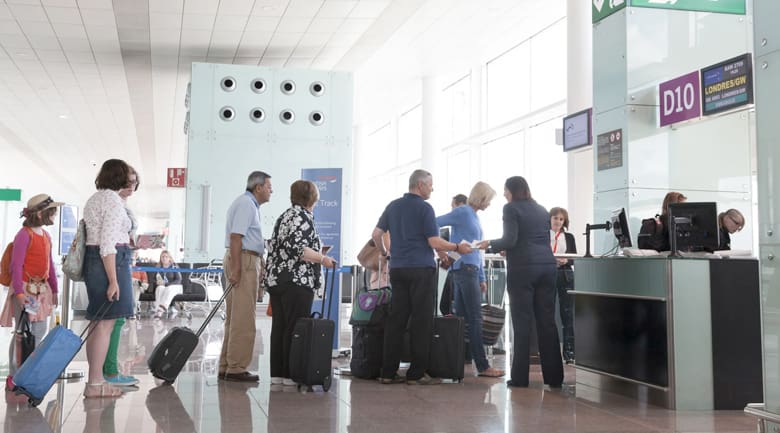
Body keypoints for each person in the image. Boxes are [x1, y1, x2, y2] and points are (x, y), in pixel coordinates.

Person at [373, 169, 472, 386]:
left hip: (398, 270)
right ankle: (416, 374)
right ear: (420, 185)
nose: (432, 188)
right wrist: (456, 247)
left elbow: (376, 234)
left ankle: (387, 372)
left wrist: (384, 253)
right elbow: (433, 242)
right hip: (421, 270)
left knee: (396, 319)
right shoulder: (425, 209)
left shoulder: (393, 206)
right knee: (421, 321)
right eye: (430, 184)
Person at [477, 176, 563, 388]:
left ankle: (520, 378)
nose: (504, 195)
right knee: (547, 323)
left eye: (505, 191)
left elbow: (510, 240)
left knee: (522, 323)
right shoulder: (542, 209)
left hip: (524, 270)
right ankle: (554, 378)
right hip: (547, 268)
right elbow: (531, 239)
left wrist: (489, 244)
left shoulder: (511, 209)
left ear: (512, 191)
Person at [265, 180, 337, 386]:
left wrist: (317, 253)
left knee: (280, 326)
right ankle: (291, 374)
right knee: (295, 327)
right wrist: (323, 259)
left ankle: (277, 374)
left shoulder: (285, 216)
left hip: (278, 279)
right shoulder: (302, 217)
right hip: (296, 280)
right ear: (312, 197)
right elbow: (299, 250)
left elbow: (285, 246)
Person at [436, 181, 504, 378]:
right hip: (464, 270)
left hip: (468, 269)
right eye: (489, 200)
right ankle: (483, 366)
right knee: (474, 318)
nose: (489, 204)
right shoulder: (464, 212)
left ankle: (462, 359)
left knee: (465, 319)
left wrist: (481, 276)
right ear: (481, 198)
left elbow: (474, 248)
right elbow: (433, 222)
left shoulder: (472, 215)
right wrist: (443, 249)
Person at [82, 158, 136, 398]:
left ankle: (94, 379)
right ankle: (95, 384)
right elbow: (108, 245)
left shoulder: (95, 199)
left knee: (96, 324)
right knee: (105, 325)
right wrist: (114, 280)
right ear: (119, 176)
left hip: (94, 261)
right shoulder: (113, 201)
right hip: (110, 263)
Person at [1, 194, 62, 388]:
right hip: (26, 289)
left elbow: (49, 264)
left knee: (38, 330)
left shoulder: (46, 236)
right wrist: (18, 293)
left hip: (41, 291)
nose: (54, 216)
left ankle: (28, 370)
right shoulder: (24, 235)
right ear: (40, 214)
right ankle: (15, 374)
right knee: (22, 332)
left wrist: (54, 289)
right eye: (52, 212)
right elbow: (16, 265)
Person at [219, 171, 273, 382]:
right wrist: (237, 269)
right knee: (243, 318)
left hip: (245, 259)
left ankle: (228, 364)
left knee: (235, 317)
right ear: (257, 187)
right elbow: (236, 237)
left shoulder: (249, 205)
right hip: (243, 260)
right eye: (269, 186)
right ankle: (237, 368)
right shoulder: (246, 204)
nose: (271, 190)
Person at [102, 166, 141, 387]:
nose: (132, 186)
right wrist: (113, 278)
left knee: (117, 317)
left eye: (135, 181)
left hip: (123, 257)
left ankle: (109, 369)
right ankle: (109, 371)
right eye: (128, 181)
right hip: (115, 260)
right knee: (114, 317)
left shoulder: (122, 204)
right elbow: (107, 240)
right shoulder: (113, 202)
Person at [549, 207, 577, 363]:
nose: (558, 222)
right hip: (549, 274)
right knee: (548, 313)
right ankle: (551, 352)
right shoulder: (544, 235)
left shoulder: (569, 237)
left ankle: (569, 352)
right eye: (555, 218)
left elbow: (574, 257)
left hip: (565, 275)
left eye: (561, 219)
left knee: (567, 314)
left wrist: (566, 260)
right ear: (550, 219)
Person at [152, 250, 183, 319]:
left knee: (169, 288)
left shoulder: (174, 267)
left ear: (169, 258)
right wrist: (157, 282)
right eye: (163, 257)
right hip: (163, 287)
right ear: (160, 258)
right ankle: (158, 310)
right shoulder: (158, 268)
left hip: (175, 287)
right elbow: (153, 280)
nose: (164, 258)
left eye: (166, 256)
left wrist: (167, 283)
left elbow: (179, 280)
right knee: (160, 288)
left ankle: (162, 308)